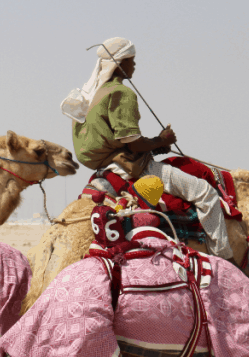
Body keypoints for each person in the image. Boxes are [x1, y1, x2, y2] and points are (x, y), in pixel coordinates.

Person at [61, 37, 233, 261]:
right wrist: (162, 140)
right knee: (205, 193)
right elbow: (133, 143)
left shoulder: (90, 97)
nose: (134, 66)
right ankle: (226, 260)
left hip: (104, 168)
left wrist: (156, 143)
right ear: (120, 63)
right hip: (132, 168)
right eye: (131, 61)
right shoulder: (121, 93)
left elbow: (121, 141)